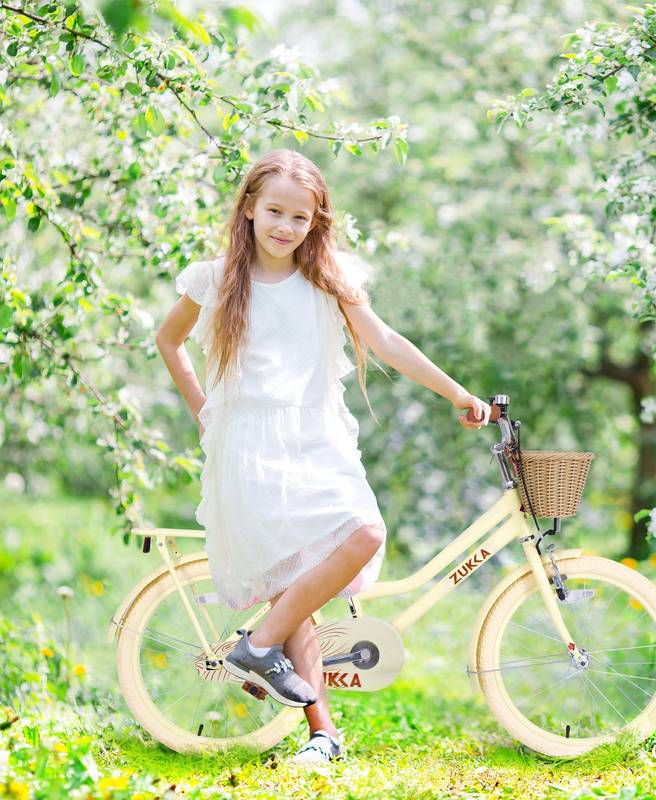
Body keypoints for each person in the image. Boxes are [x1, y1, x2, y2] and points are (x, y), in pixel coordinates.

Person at [155, 148, 491, 763]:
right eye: (275, 211)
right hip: (250, 443)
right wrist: (205, 411)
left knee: (356, 536)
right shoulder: (216, 279)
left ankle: (260, 648)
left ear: (317, 221)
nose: (285, 226)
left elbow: (385, 342)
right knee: (293, 580)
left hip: (316, 437)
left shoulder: (327, 277)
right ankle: (323, 734)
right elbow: (168, 339)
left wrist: (457, 393)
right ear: (250, 208)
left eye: (300, 217)